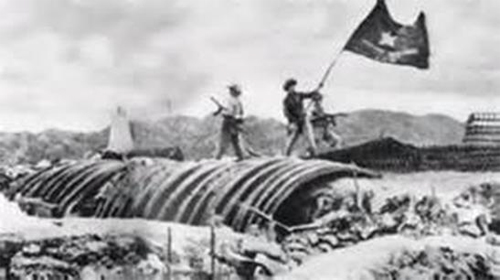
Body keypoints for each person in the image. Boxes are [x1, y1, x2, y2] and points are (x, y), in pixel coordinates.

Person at [282, 78, 320, 157]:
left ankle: (314, 153)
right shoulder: (286, 100)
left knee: (310, 136)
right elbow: (286, 113)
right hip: (295, 123)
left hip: (303, 120)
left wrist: (317, 90)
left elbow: (309, 95)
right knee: (292, 140)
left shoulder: (299, 95)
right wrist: (294, 120)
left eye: (293, 86)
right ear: (288, 89)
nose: (292, 88)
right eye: (291, 87)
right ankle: (286, 156)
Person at [215, 84, 246, 161]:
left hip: (229, 121)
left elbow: (231, 111)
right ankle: (240, 155)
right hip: (233, 121)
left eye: (231, 90)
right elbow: (241, 112)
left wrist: (222, 110)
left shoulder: (232, 100)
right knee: (234, 140)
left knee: (224, 139)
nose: (230, 92)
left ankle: (218, 157)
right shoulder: (237, 101)